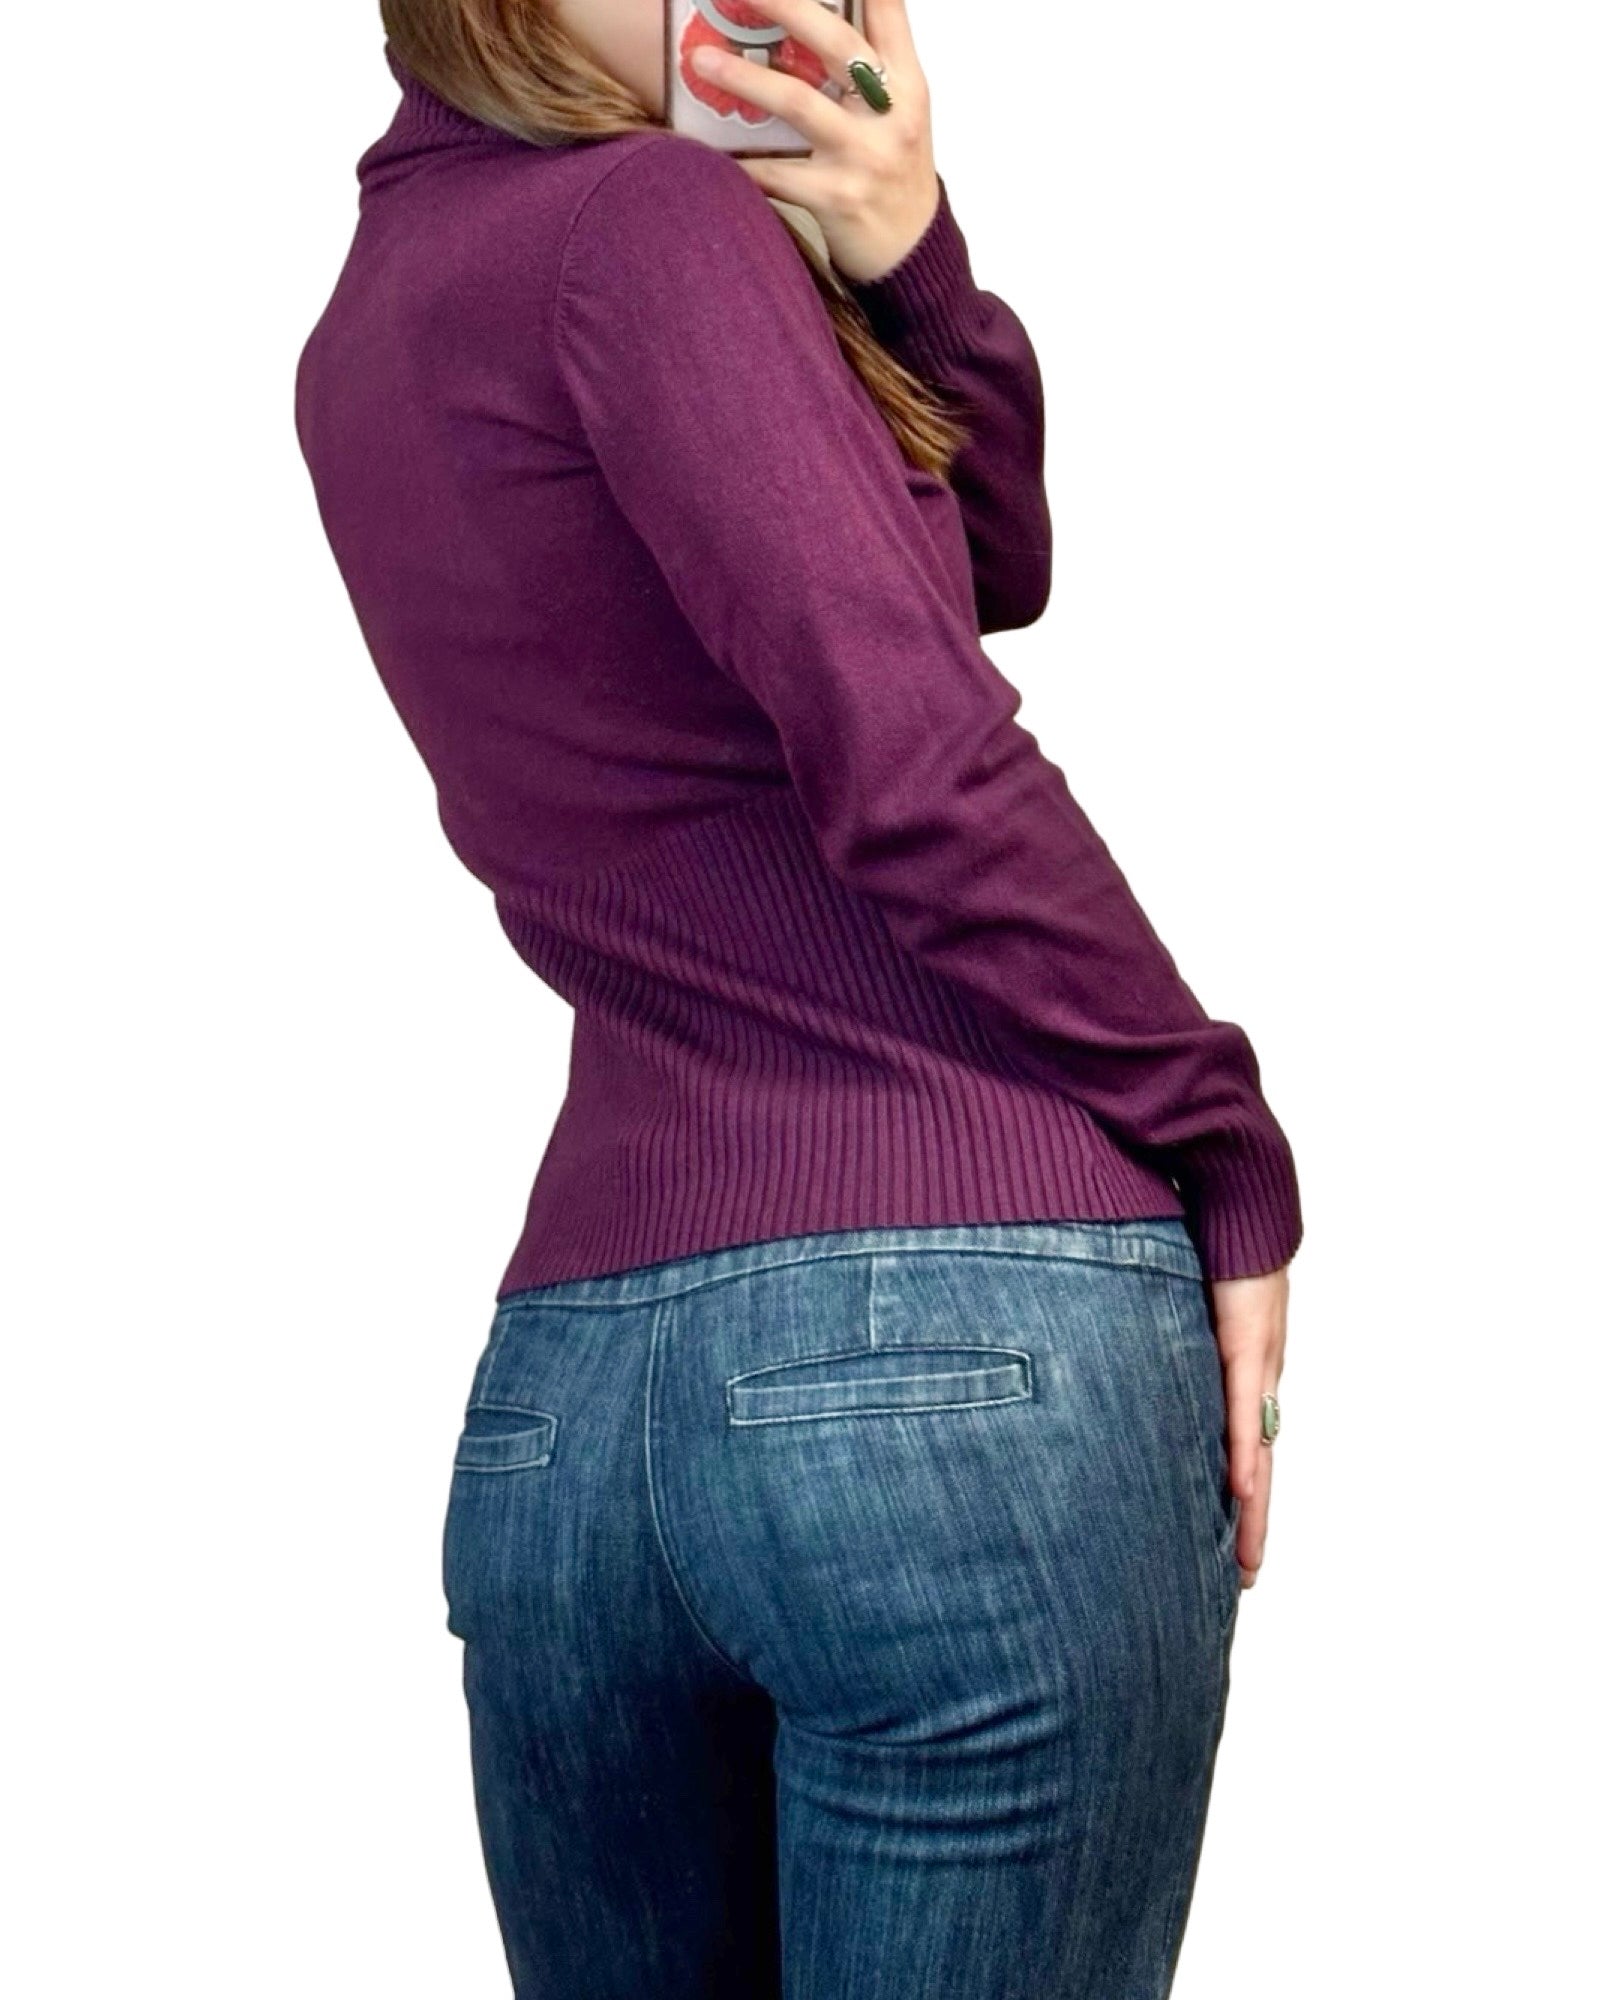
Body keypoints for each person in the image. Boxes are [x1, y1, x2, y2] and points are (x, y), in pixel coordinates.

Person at [293, 1, 1303, 1992]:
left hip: (566, 1426)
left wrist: (906, 258)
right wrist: (1223, 1134)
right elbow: (914, 750)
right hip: (954, 1346)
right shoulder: (642, 225)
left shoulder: (368, 319)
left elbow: (977, 567)